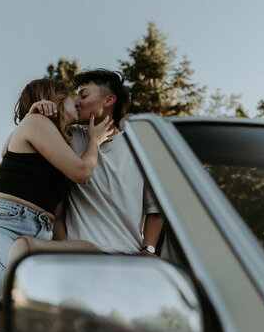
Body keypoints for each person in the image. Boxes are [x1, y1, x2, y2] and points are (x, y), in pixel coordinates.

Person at [0, 78, 113, 302]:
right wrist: (95, 141)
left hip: (40, 237)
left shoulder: (59, 146)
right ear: (57, 99)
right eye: (73, 97)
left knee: (91, 254)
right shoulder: (35, 123)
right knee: (38, 300)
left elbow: (59, 218)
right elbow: (82, 172)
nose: (78, 103)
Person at [14, 69, 163, 258]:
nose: (76, 102)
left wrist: (148, 249)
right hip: (82, 259)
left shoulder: (141, 148)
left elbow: (155, 209)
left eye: (83, 96)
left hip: (130, 258)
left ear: (109, 101)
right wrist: (35, 113)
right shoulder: (67, 137)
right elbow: (16, 148)